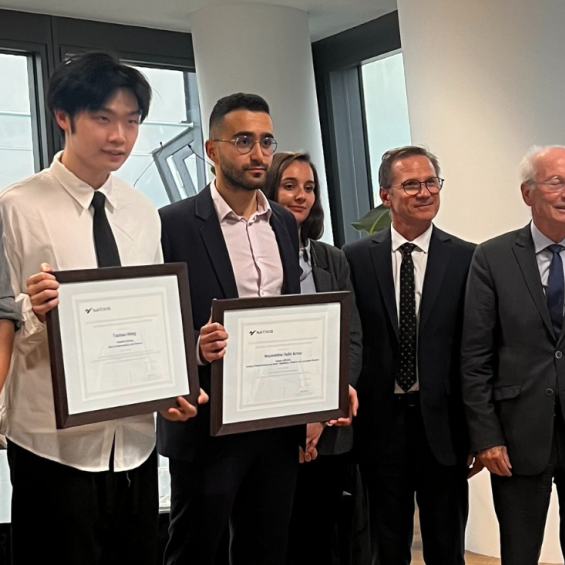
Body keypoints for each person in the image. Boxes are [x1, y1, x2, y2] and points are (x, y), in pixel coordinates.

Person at [0, 51, 204, 565]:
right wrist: (31, 308)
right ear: (63, 117)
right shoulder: (16, 207)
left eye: (132, 121)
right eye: (103, 118)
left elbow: (150, 316)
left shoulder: (140, 210)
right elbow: (6, 315)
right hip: (52, 439)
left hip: (133, 439)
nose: (120, 136)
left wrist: (170, 386)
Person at [157, 93, 308, 565]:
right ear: (211, 149)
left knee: (266, 548)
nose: (258, 153)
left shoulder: (283, 221)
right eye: (243, 141)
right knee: (196, 549)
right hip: (206, 420)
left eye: (266, 141)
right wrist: (196, 350)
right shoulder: (172, 224)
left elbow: (290, 316)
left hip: (274, 418)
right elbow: (155, 323)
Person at [342, 146, 478, 565]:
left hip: (443, 428)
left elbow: (474, 350)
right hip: (379, 427)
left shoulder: (468, 258)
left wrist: (479, 430)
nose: (424, 192)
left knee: (446, 546)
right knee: (387, 545)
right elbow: (350, 339)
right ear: (386, 195)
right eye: (411, 184)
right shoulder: (355, 259)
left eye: (431, 182)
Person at [462, 145, 565, 565]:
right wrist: (485, 437)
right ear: (528, 193)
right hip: (519, 435)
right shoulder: (493, 257)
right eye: (556, 181)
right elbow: (474, 356)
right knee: (520, 552)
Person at [263, 150, 362, 565]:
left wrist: (322, 411)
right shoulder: (254, 258)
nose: (301, 196)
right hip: (269, 427)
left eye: (309, 187)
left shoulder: (329, 258)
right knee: (270, 540)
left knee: (317, 538)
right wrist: (296, 421)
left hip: (330, 425)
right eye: (289, 186)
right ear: (268, 190)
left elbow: (350, 336)